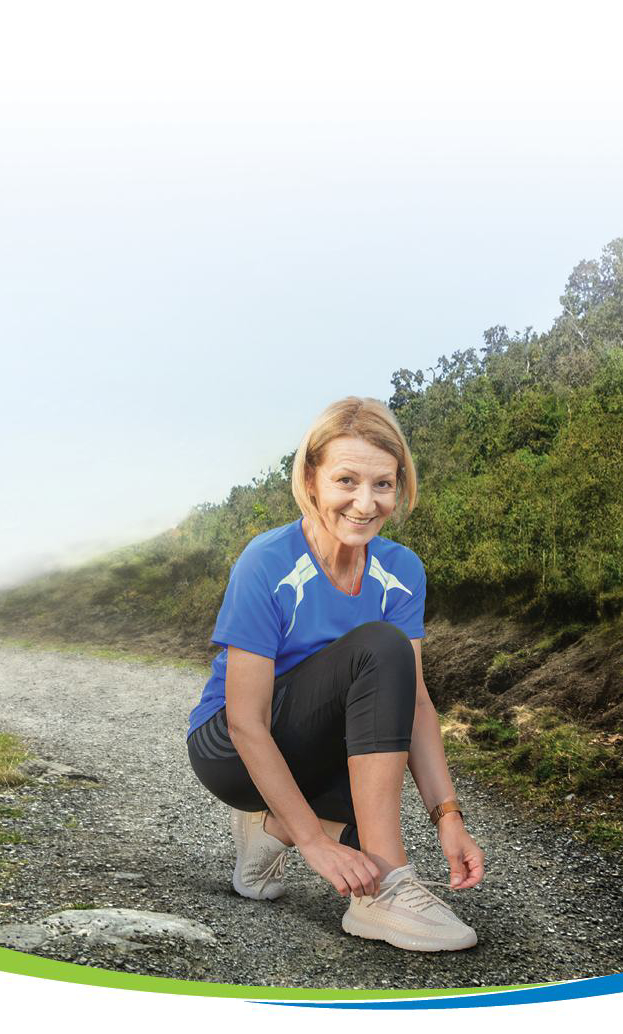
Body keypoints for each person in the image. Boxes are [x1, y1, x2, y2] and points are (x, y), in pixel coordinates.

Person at [187, 396, 485, 952]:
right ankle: (383, 891)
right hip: (230, 749)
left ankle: (266, 831)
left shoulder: (402, 570)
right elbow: (246, 722)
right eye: (346, 480)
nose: (365, 503)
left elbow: (415, 705)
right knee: (380, 645)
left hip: (316, 749)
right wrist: (314, 844)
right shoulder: (267, 561)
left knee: (371, 804)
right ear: (311, 479)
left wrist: (448, 817)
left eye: (383, 484)